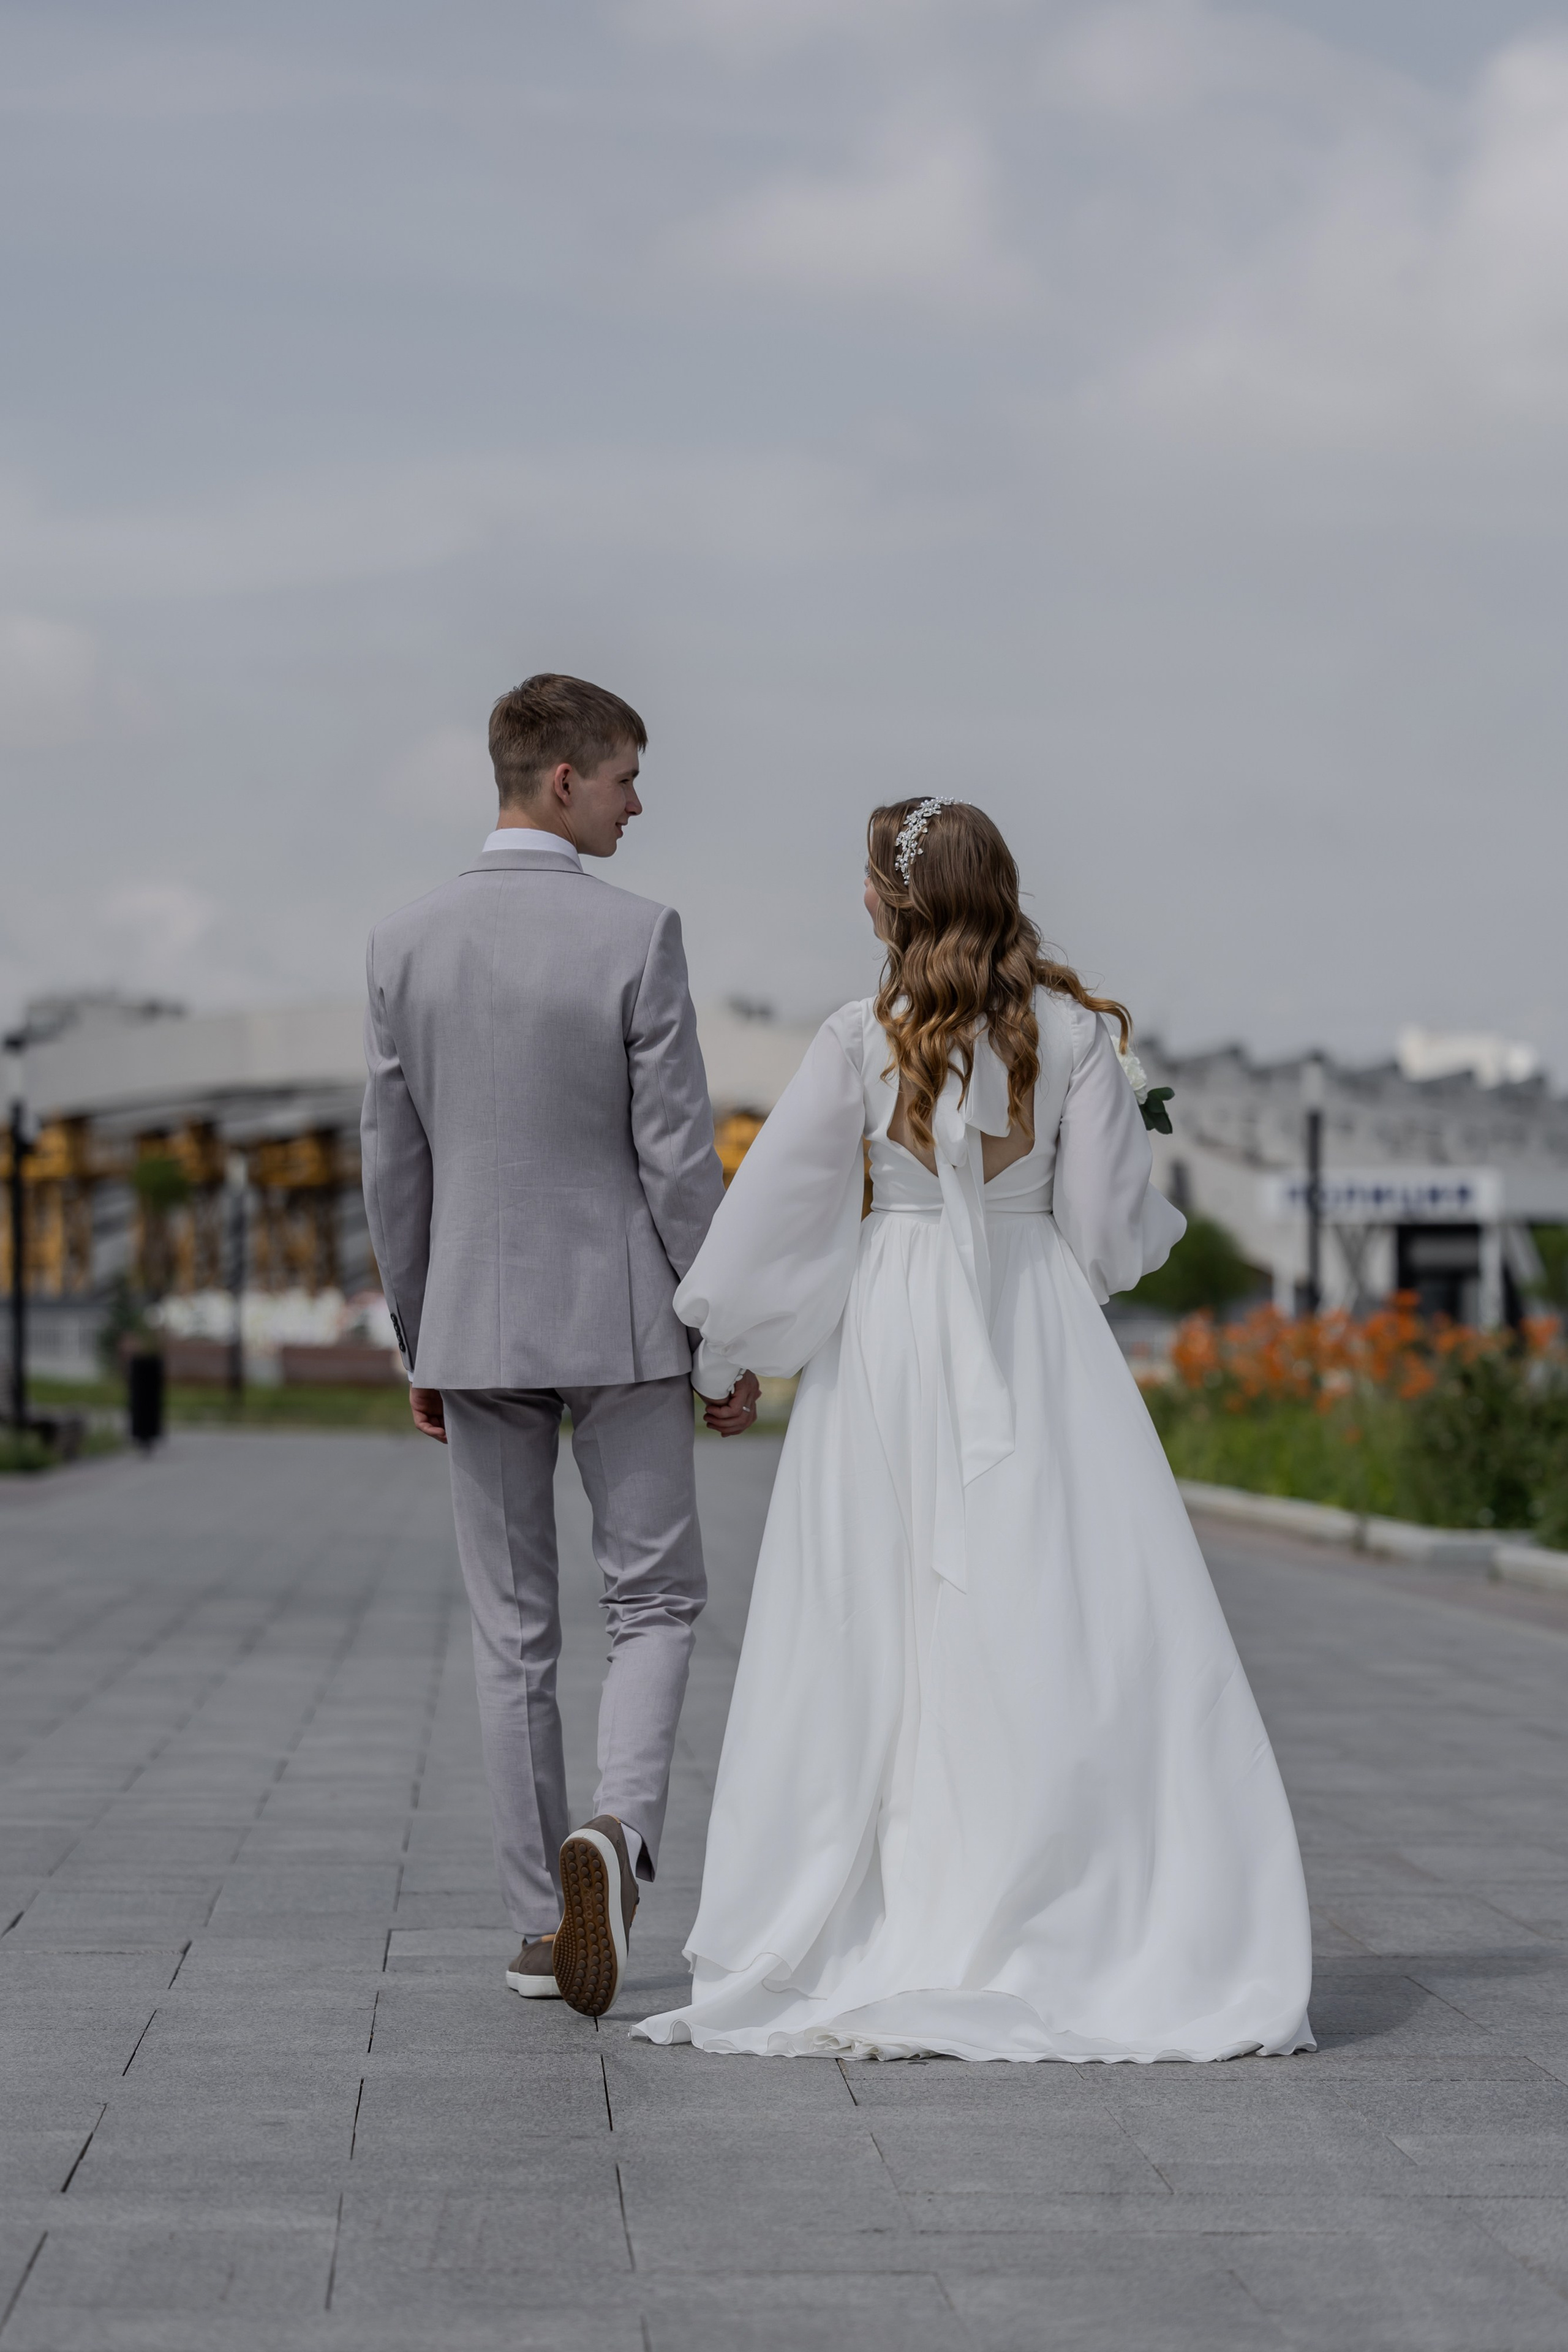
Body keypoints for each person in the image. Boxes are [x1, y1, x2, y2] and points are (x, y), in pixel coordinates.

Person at [635, 797, 1313, 2063]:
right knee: (1055, 1611)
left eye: (862, 881)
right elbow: (1109, 1243)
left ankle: (888, 1903)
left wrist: (728, 1353)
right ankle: (1075, 1897)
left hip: (892, 1340)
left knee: (878, 1619)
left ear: (896, 902)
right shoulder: (1075, 1038)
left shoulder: (858, 1038)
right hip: (1035, 1335)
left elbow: (779, 1217)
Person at [361, 673, 759, 2019]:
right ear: (562, 781)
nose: (640, 804)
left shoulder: (400, 944)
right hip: (625, 1320)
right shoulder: (638, 937)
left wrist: (418, 1328)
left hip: (472, 1321)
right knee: (653, 1601)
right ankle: (621, 1839)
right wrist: (721, 1330)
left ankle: (541, 1923)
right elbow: (675, 1162)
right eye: (628, 777)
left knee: (511, 1633)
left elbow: (391, 1164)